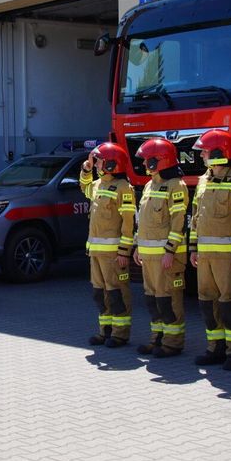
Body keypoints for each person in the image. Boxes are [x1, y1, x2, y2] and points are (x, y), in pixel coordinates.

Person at [188, 131, 231, 370]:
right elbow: (196, 218)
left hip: (228, 258)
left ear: (218, 153)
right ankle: (214, 348)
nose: (203, 156)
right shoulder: (203, 180)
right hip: (205, 256)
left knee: (230, 304)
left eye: (205, 152)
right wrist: (193, 248)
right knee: (207, 303)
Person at [133, 137, 189, 357]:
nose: (144, 164)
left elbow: (179, 221)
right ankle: (157, 338)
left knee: (168, 300)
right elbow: (144, 221)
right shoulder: (149, 185)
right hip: (148, 256)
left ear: (161, 161)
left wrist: (170, 250)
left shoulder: (176, 185)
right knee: (153, 299)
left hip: (167, 257)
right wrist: (138, 246)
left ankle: (173, 342)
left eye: (148, 160)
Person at [78, 143, 135, 347]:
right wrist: (86, 169)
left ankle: (120, 333)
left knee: (116, 293)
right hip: (96, 252)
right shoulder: (97, 185)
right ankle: (105, 331)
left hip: (113, 254)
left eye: (100, 160)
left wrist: (124, 251)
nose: (96, 164)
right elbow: (84, 187)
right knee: (100, 293)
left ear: (111, 163)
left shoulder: (123, 188)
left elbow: (129, 224)